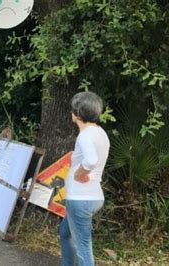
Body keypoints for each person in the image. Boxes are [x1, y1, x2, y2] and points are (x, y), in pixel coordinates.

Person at [59, 91, 110, 266]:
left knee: (83, 247)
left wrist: (78, 173)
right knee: (65, 233)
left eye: (73, 109)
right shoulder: (100, 133)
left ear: (78, 113)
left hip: (81, 199)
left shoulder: (85, 135)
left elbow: (91, 161)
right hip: (92, 196)